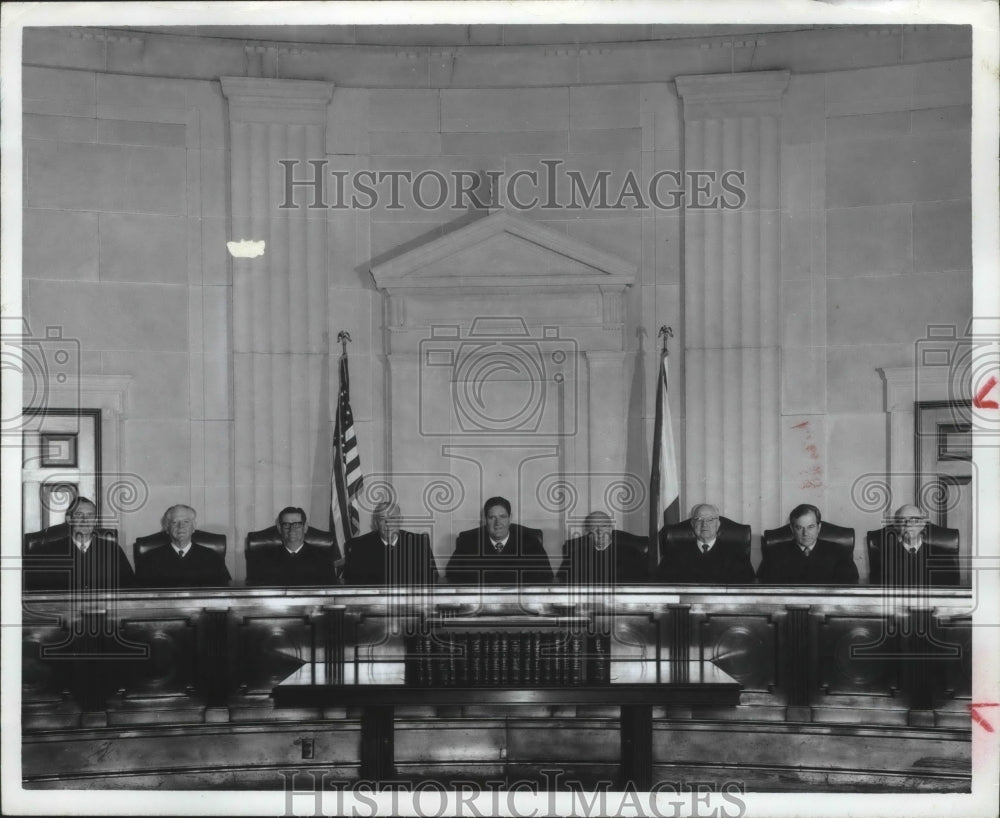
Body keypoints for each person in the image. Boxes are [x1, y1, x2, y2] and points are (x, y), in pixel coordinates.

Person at [23, 496, 135, 592]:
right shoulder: (48, 552)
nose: (85, 520)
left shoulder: (113, 551)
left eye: (90, 516)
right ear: (69, 520)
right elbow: (35, 593)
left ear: (95, 521)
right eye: (79, 515)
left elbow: (130, 589)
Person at [446, 496, 553, 585]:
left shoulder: (531, 543)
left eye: (503, 517)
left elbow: (547, 579)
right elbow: (451, 578)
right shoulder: (467, 543)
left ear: (510, 518)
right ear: (485, 519)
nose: (498, 523)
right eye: (492, 517)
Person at [757, 503, 859, 584]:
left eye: (810, 527)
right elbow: (763, 585)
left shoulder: (840, 552)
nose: (805, 533)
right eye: (799, 528)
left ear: (818, 528)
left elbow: (850, 586)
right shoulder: (775, 553)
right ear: (792, 529)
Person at [134, 504, 231, 588]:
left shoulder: (212, 557)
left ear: (193, 527)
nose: (181, 526)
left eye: (186, 522)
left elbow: (225, 592)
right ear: (167, 528)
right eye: (174, 522)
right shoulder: (149, 559)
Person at [657, 503, 756, 584]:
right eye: (699, 519)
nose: (704, 524)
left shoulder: (737, 554)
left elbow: (748, 587)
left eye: (710, 519)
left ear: (718, 525)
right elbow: (661, 584)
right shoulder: (675, 554)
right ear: (692, 524)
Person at [343, 501, 438, 585]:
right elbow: (350, 584)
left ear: (400, 520)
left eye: (392, 518)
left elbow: (433, 580)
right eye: (382, 519)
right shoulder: (359, 547)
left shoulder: (419, 544)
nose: (388, 523)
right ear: (376, 523)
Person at [869, 504, 961, 587]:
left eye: (914, 520)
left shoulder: (942, 556)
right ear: (896, 526)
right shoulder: (883, 558)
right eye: (902, 520)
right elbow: (879, 593)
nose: (908, 524)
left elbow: (952, 592)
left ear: (923, 524)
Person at [246, 506, 339, 586]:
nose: (292, 529)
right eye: (286, 524)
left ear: (305, 527)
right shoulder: (263, 559)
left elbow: (330, 592)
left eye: (297, 524)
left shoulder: (322, 558)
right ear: (279, 528)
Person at [558, 511, 648, 584]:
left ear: (610, 529)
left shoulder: (632, 553)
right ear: (588, 533)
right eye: (593, 527)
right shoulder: (575, 556)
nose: (599, 531)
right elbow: (560, 582)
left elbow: (645, 583)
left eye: (604, 526)